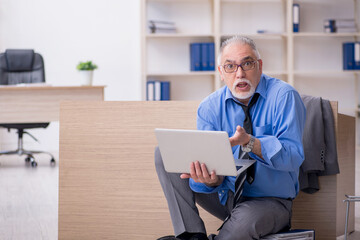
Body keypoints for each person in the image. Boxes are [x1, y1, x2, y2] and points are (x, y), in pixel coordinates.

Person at [155, 36, 306, 240]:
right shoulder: (209, 107)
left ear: (259, 66)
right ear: (220, 72)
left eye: (247, 63)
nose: (240, 73)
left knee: (241, 225)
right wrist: (210, 181)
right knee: (164, 154)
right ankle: (192, 235)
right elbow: (207, 178)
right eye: (230, 66)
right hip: (225, 196)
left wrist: (250, 142)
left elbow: (293, 157)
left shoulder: (284, 96)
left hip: (270, 202)